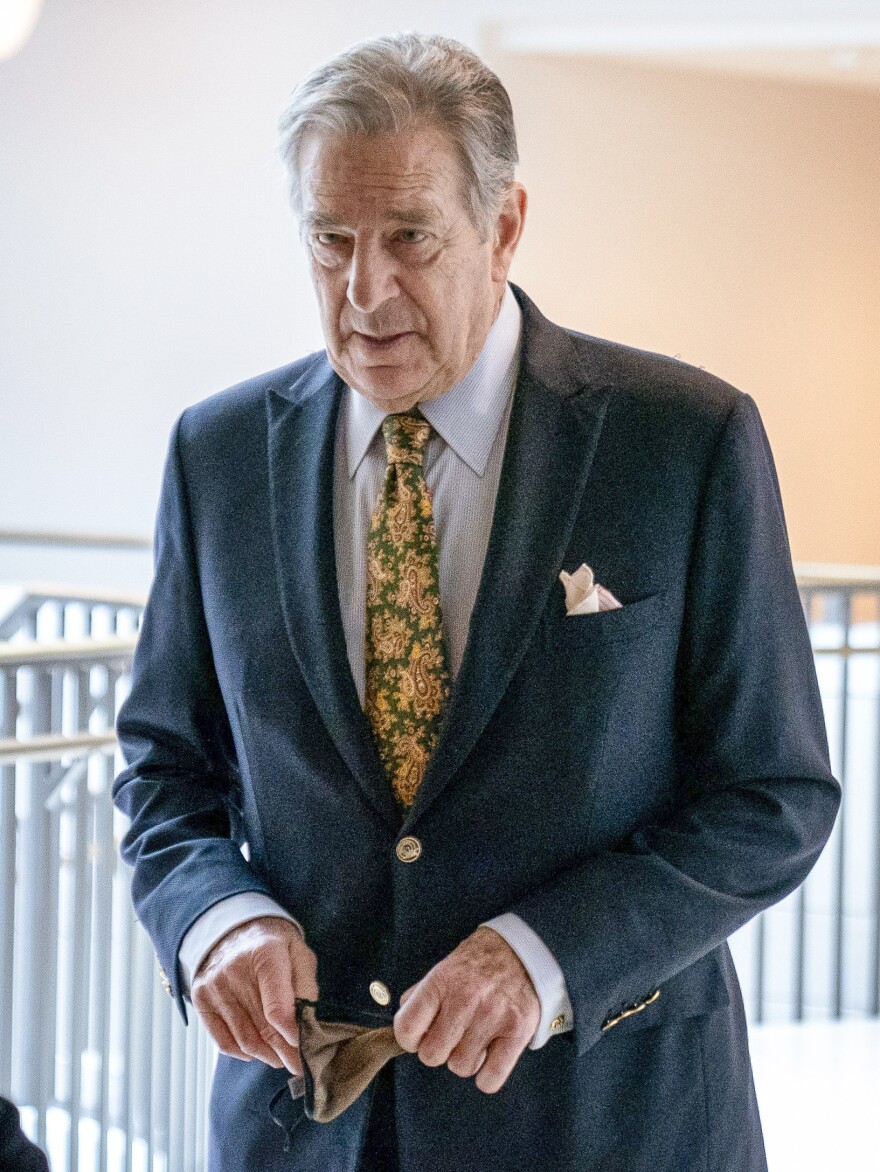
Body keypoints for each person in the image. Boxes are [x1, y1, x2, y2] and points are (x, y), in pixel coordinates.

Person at [114, 31, 840, 1172]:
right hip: (303, 1132)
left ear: (503, 225)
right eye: (330, 240)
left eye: (409, 237)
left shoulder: (682, 440)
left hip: (609, 1123)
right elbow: (164, 771)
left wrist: (543, 954)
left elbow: (774, 794)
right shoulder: (214, 455)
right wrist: (215, 916)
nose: (365, 289)